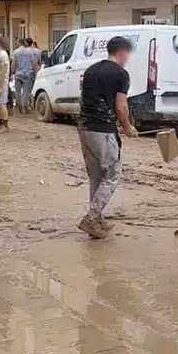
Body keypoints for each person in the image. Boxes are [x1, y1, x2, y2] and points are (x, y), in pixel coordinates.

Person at [76, 36, 139, 239]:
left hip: (85, 128)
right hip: (103, 129)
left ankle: (97, 218)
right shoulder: (121, 74)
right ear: (122, 52)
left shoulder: (91, 70)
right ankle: (91, 217)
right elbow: (121, 105)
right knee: (112, 175)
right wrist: (127, 127)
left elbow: (82, 99)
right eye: (128, 53)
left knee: (96, 176)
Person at [13, 38, 41, 114]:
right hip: (27, 74)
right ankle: (24, 106)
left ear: (19, 43)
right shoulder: (30, 52)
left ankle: (19, 105)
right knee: (26, 91)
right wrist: (35, 73)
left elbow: (14, 64)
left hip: (18, 74)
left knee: (17, 91)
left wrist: (13, 72)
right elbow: (34, 63)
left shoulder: (15, 52)